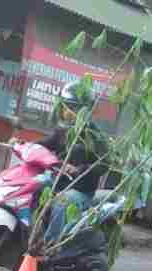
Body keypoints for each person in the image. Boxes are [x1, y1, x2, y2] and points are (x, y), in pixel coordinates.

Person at [30, 82, 108, 247]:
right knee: (33, 187)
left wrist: (79, 169)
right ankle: (28, 232)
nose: (67, 112)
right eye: (65, 106)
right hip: (58, 182)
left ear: (84, 110)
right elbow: (45, 144)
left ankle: (49, 245)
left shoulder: (94, 135)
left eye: (72, 107)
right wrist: (24, 144)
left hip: (80, 190)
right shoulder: (63, 130)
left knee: (61, 203)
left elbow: (105, 164)